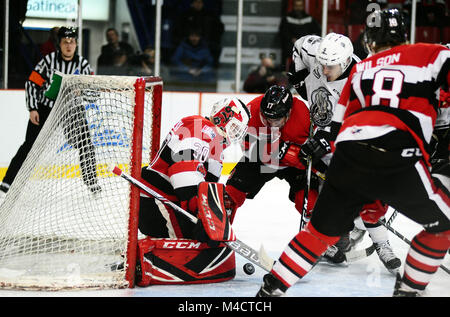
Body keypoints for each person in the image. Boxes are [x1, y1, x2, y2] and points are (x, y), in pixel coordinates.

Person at [256, 8, 450, 297]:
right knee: (441, 228)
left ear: (369, 41)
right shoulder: (433, 54)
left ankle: (269, 292)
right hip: (398, 151)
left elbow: (336, 126)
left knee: (317, 234)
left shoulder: (361, 69)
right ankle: (408, 291)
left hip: (349, 154)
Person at [288, 32, 401, 271]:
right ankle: (324, 239)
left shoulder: (364, 80)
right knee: (313, 186)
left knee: (362, 190)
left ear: (347, 60)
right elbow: (299, 45)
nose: (325, 71)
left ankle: (381, 243)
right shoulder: (315, 50)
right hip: (321, 132)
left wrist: (327, 139)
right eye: (323, 65)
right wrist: (299, 78)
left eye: (331, 67)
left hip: (348, 138)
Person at [135, 97, 250, 285]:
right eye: (235, 127)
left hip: (166, 202)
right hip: (156, 201)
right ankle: (145, 260)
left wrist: (213, 214)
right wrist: (202, 214)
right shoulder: (202, 128)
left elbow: (206, 186)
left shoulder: (214, 140)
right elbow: (182, 173)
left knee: (208, 241)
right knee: (199, 247)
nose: (235, 134)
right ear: (225, 116)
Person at [0, 27, 101, 195]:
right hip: (47, 108)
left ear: (76, 44)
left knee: (86, 143)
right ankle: (8, 181)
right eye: (65, 42)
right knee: (29, 146)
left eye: (72, 42)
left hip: (72, 110)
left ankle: (91, 182)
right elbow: (32, 83)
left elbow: (93, 93)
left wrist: (82, 91)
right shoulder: (48, 62)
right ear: (59, 44)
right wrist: (33, 108)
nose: (69, 46)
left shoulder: (82, 64)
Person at [224, 85, 313, 230]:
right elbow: (246, 147)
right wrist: (273, 149)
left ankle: (323, 239)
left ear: (289, 113)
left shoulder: (303, 116)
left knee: (311, 203)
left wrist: (293, 154)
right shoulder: (250, 112)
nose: (271, 124)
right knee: (229, 195)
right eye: (267, 119)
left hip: (291, 166)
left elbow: (311, 154)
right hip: (259, 159)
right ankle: (217, 229)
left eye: (277, 120)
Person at [172, 0, 224, 67]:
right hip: (187, 42)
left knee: (215, 49)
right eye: (196, 2)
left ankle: (211, 70)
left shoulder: (209, 15)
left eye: (200, 2)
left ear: (203, 4)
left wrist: (212, 39)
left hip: (206, 42)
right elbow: (178, 29)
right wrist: (186, 38)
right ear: (192, 3)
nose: (198, 4)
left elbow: (219, 28)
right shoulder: (185, 15)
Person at [278, 0, 321, 71]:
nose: (298, 8)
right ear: (293, 6)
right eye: (296, 6)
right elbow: (283, 31)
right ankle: (285, 71)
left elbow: (317, 31)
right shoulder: (287, 18)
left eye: (300, 6)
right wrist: (292, 38)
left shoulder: (309, 19)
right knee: (287, 47)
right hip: (292, 44)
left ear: (303, 6)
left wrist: (308, 39)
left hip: (306, 44)